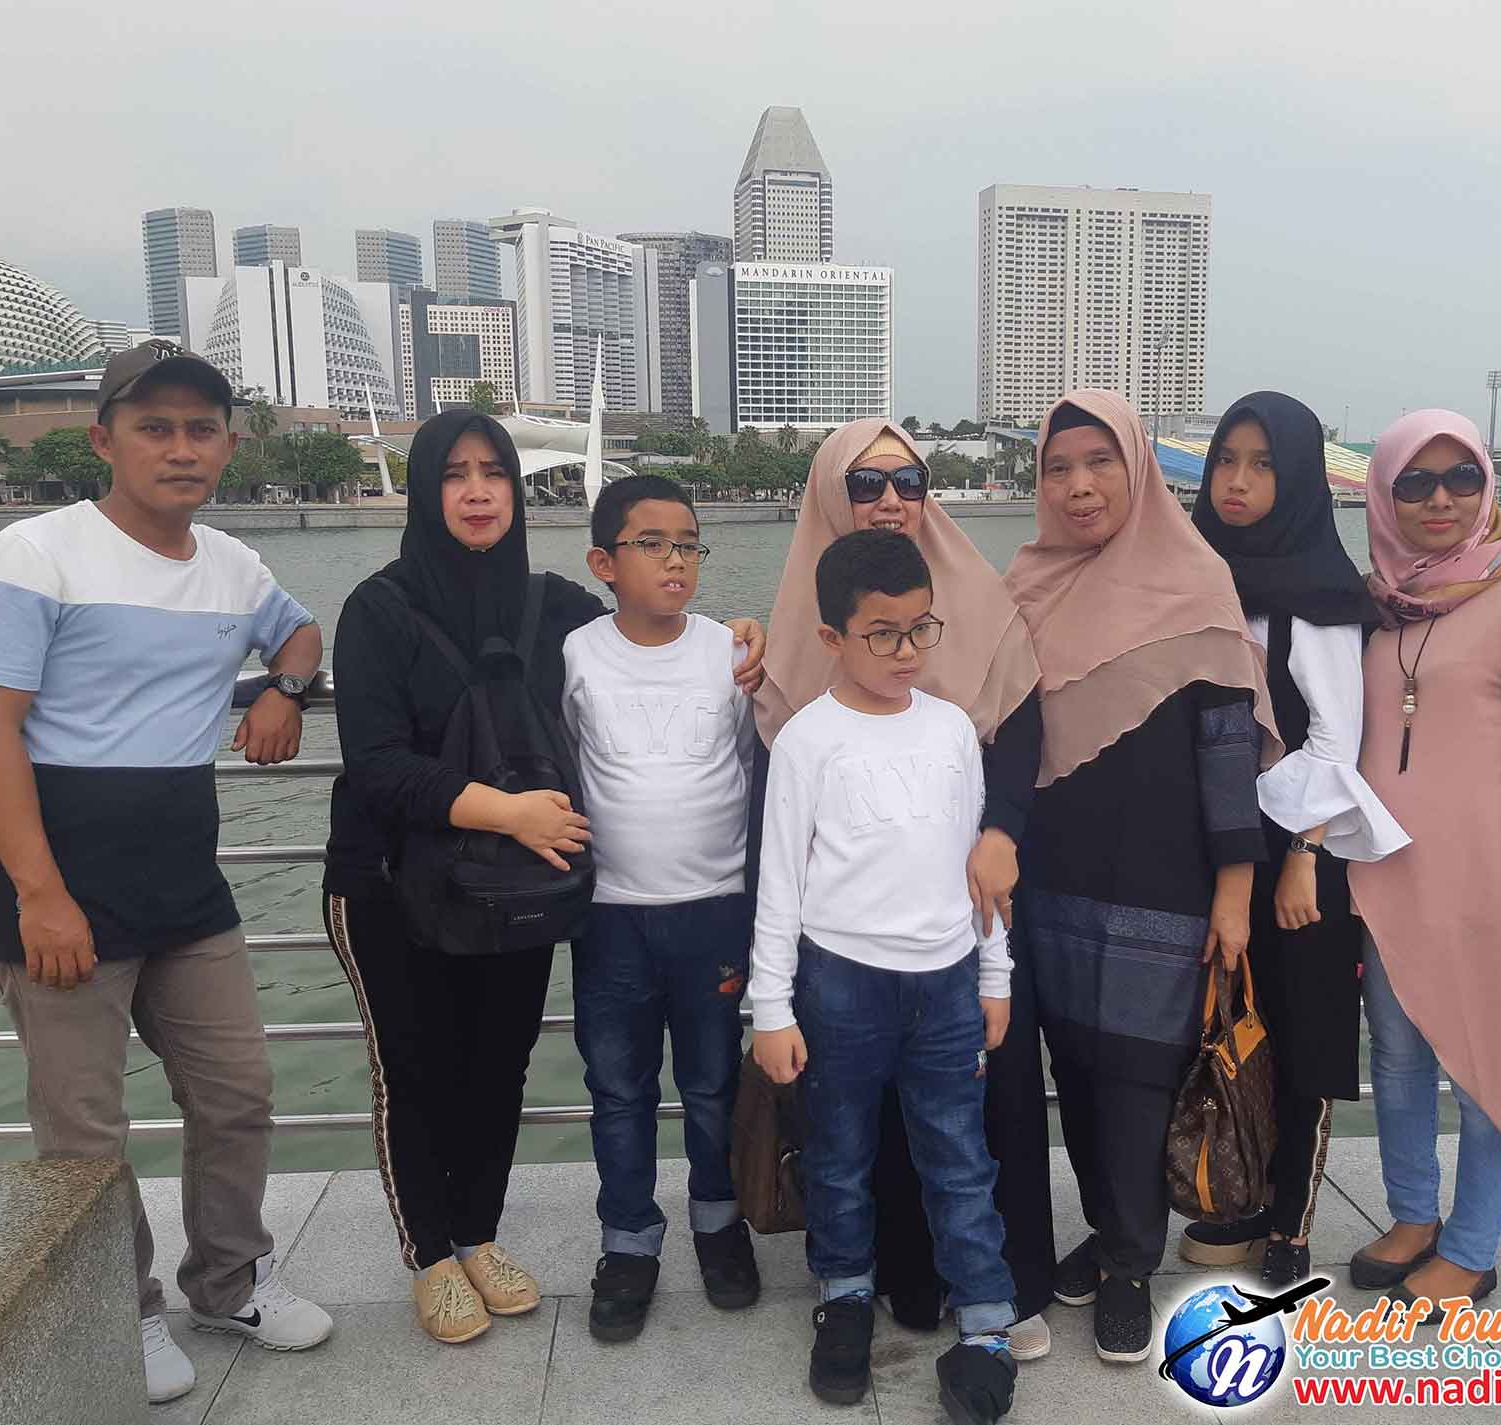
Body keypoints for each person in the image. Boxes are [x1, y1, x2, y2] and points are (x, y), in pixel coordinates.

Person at [323, 411, 766, 1345]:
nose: (479, 492)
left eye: (495, 473)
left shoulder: (555, 608)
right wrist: (507, 810)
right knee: (416, 1067)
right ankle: (431, 1254)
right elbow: (376, 765)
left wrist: (746, 635)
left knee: (500, 1064)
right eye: (455, 474)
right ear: (425, 490)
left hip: (520, 888)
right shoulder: (378, 608)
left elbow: (649, 628)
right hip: (395, 881)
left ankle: (477, 1233)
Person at [0, 341, 334, 1406]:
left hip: (183, 883)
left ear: (228, 446)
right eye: (154, 427)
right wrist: (40, 895)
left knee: (238, 1091)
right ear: (103, 438)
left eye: (201, 429)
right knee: (84, 1132)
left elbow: (301, 629)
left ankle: (230, 1280)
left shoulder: (232, 565)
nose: (180, 448)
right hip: (54, 883)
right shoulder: (35, 553)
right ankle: (120, 1310)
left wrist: (284, 691)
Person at [750, 420, 1053, 1358]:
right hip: (841, 975)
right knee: (842, 1148)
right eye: (866, 481)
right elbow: (781, 876)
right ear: (833, 636)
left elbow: (978, 852)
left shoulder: (952, 722)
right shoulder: (807, 731)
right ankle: (849, 1293)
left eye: (909, 480)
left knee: (960, 1151)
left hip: (948, 971)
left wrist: (995, 973)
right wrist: (771, 1003)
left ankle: (987, 1314)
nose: (908, 648)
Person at [1003, 390, 1280, 1364]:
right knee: (1074, 1068)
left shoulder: (1193, 581)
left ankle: (1129, 1266)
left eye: (1099, 463)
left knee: (1136, 1077)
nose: (1078, 486)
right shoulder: (1025, 584)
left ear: (1137, 469)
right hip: (1048, 874)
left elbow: (1228, 746)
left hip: (1162, 879)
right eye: (1057, 468)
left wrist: (1235, 891)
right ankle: (1106, 1229)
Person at [1343, 410, 1501, 1318]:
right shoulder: (1378, 603)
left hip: (1497, 880)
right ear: (1384, 496)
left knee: (1493, 1061)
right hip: (1389, 877)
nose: (1440, 499)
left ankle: (1473, 1247)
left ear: (1487, 486)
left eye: (1461, 477)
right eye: (1415, 482)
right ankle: (1414, 1215)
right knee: (1399, 1056)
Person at [1182, 393, 1411, 1285]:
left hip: (1295, 850)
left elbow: (1334, 738)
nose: (1236, 482)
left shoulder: (1316, 594)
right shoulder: (1201, 574)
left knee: (1304, 1029)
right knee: (1232, 1017)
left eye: (1262, 464)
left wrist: (1304, 852)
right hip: (1216, 842)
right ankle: (1236, 1196)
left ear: (1302, 478)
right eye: (1225, 461)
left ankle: (1290, 1221)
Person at [560, 475, 759, 1343]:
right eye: (652, 544)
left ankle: (720, 1222)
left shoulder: (732, 651)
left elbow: (751, 757)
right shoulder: (575, 655)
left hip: (714, 909)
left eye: (687, 543)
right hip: (610, 914)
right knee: (617, 1087)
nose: (675, 560)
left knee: (713, 1082)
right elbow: (563, 755)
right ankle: (629, 1241)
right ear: (604, 562)